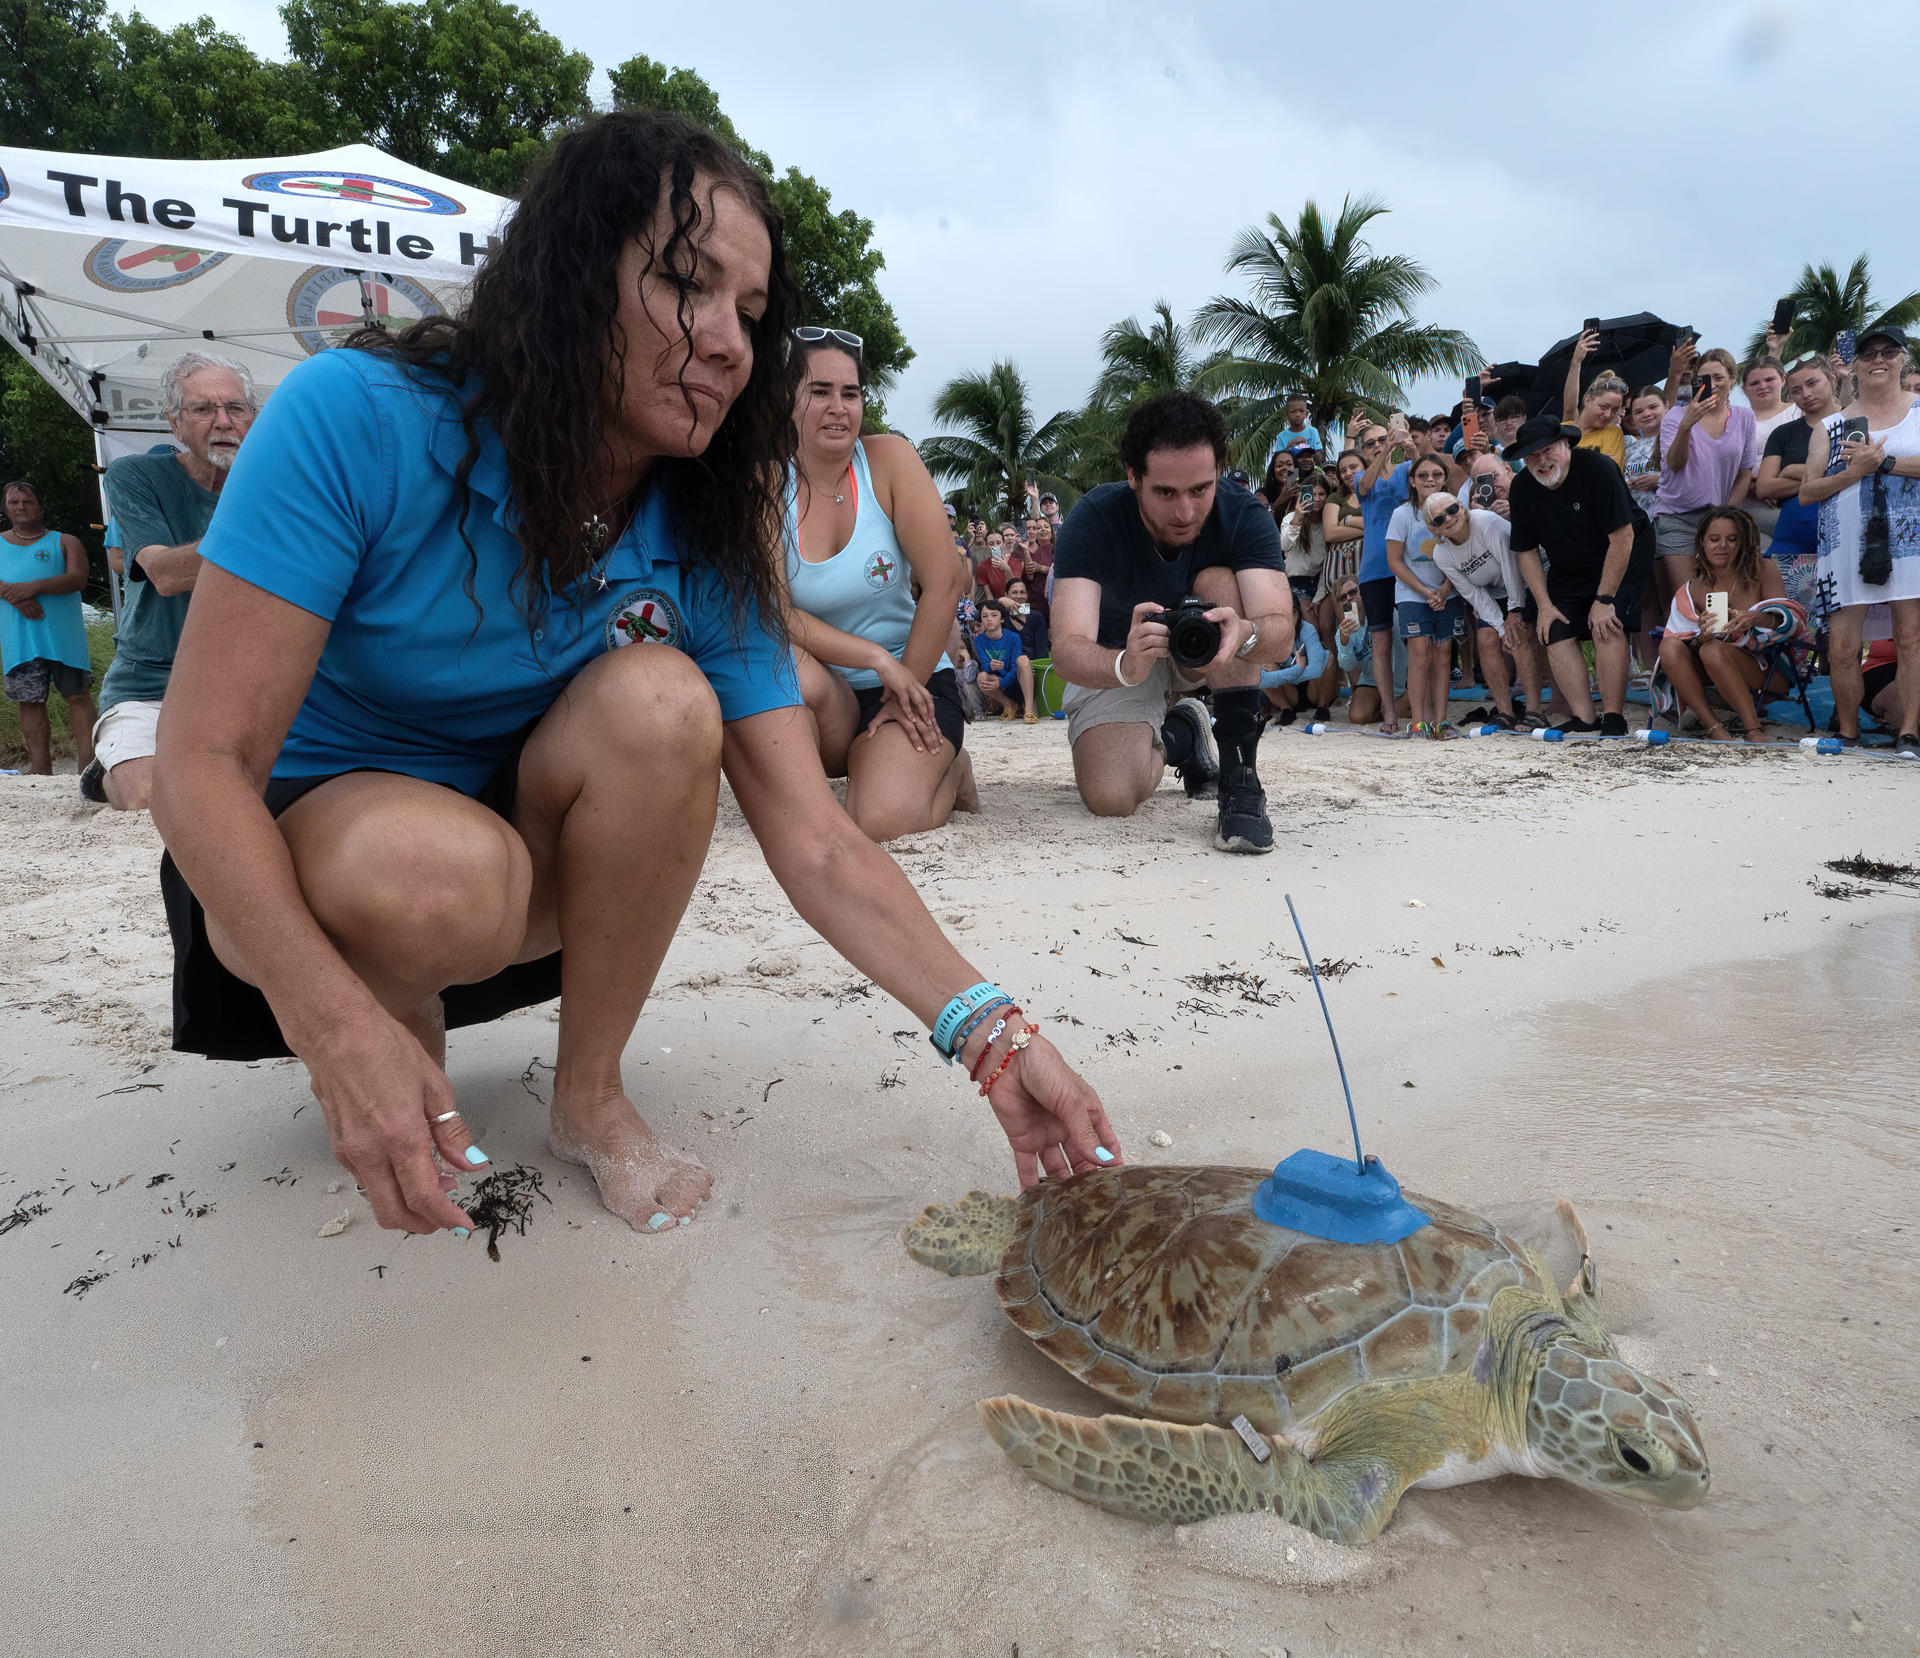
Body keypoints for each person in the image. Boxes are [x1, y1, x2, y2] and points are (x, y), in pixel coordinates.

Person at [149, 111, 1121, 1241]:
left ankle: (590, 1091)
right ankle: (387, 1016)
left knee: (664, 701)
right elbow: (196, 765)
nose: (728, 343)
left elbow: (816, 840)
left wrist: (995, 1032)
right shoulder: (356, 420)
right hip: (294, 872)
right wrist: (332, 1024)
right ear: (571, 273)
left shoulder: (699, 527)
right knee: (427, 874)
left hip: (521, 857)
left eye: (750, 315)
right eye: (685, 284)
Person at [1050, 390, 1292, 853]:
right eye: (1165, 492)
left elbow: (1279, 633)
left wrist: (1244, 633)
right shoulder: (1095, 518)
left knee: (1222, 583)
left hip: (1211, 649)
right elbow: (1066, 648)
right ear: (1132, 477)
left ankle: (1240, 775)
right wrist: (1125, 663)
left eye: (1201, 489)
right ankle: (1182, 733)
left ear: (1218, 472)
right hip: (1120, 654)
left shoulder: (1243, 513)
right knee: (1111, 797)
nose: (1185, 512)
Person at [783, 330, 975, 842]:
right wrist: (873, 658)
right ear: (787, 398)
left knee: (880, 821)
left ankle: (951, 771)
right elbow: (775, 610)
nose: (838, 408)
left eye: (851, 393)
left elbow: (943, 580)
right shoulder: (763, 486)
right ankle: (869, 763)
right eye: (819, 391)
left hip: (914, 674)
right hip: (830, 694)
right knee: (783, 668)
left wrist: (900, 680)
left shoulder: (888, 460)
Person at [80, 354, 258, 808]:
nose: (223, 422)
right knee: (147, 799)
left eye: (235, 408)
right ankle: (105, 775)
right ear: (175, 425)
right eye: (202, 409)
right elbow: (164, 573)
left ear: (253, 419)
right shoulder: (136, 474)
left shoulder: (277, 483)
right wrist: (275, 533)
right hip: (149, 683)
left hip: (247, 687)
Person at [1797, 324, 1920, 753]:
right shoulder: (1831, 426)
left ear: (1904, 358)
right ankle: (1847, 731)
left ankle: (1910, 732)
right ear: (1855, 364)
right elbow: (1806, 492)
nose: (1879, 360)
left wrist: (1882, 462)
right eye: (1869, 354)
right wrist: (1853, 472)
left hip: (1912, 543)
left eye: (1889, 351)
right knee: (1845, 645)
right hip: (1843, 544)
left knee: (1911, 638)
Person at [1507, 414, 1653, 735]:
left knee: (1607, 623)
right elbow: (1526, 550)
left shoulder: (1597, 469)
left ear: (1566, 446)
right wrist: (1544, 604)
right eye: (1532, 455)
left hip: (1622, 550)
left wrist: (1604, 598)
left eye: (1548, 450)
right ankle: (1585, 718)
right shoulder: (1520, 488)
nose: (1542, 460)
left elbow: (1623, 536)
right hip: (1568, 562)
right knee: (1554, 628)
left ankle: (1614, 716)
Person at [1655, 508, 1793, 742]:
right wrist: (1701, 636)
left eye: (1732, 539)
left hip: (1766, 668)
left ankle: (1753, 730)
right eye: (1714, 539)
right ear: (1702, 543)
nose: (1723, 546)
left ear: (1744, 542)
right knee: (1670, 647)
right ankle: (1715, 728)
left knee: (1712, 651)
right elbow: (1682, 638)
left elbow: (1787, 621)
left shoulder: (1763, 570)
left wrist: (1756, 618)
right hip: (1711, 666)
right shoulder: (1693, 588)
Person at [1423, 491, 1544, 729]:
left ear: (1461, 506)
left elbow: (1511, 568)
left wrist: (1514, 612)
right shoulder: (1441, 553)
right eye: (1438, 520)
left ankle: (1534, 711)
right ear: (1434, 529)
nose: (1448, 519)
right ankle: (1505, 712)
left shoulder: (1486, 523)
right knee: (1487, 639)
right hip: (1492, 593)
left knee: (1517, 635)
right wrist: (1501, 629)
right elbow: (1473, 594)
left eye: (1451, 510)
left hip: (1525, 580)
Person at [1, 480, 95, 775]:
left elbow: (77, 579)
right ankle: (41, 772)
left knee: (78, 697)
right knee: (29, 702)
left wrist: (33, 587)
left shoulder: (65, 542)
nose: (20, 507)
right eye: (13, 502)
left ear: (41, 506)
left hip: (64, 640)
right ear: (5, 508)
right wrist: (16, 599)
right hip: (20, 640)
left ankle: (88, 767)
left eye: (27, 502)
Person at [1652, 348, 1758, 594]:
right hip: (1677, 517)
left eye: (1719, 377)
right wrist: (1685, 426)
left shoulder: (1744, 417)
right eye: (1705, 378)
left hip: (1719, 516)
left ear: (1732, 379)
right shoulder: (1675, 417)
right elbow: (1675, 465)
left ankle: (1717, 634)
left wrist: (1726, 515)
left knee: (1720, 595)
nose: (1713, 384)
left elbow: (1744, 474)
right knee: (1690, 598)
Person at [1753, 353, 1843, 616]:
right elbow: (1765, 488)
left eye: (1812, 383)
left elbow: (1858, 472)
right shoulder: (1784, 433)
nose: (1805, 393)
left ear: (1832, 379)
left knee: (1841, 623)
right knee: (1788, 621)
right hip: (1792, 535)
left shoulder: (1854, 422)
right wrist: (1824, 476)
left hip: (1841, 532)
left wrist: (1793, 470)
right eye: (1796, 390)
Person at [1383, 455, 1462, 738]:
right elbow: (1395, 561)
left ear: (1445, 478)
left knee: (1443, 655)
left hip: (1447, 592)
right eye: (1424, 475)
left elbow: (1461, 554)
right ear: (1412, 482)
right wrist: (1426, 591)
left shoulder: (1454, 510)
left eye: (1437, 474)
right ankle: (1418, 722)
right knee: (1419, 653)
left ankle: (1440, 721)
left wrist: (1443, 590)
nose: (1430, 479)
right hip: (1412, 594)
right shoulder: (1403, 514)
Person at [1352, 419, 1412, 732]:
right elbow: (1365, 486)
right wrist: (1389, 445)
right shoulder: (1362, 476)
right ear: (1362, 450)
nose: (1378, 445)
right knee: (1381, 645)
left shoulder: (1405, 471)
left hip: (1409, 565)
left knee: (1417, 641)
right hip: (1375, 570)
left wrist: (1407, 442)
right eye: (1371, 443)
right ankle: (1389, 713)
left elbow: (1426, 470)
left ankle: (1421, 709)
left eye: (1381, 440)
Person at [1330, 574, 1408, 726]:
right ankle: (1394, 708)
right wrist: (1345, 642)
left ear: (1362, 591)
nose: (1349, 599)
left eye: (1353, 592)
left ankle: (1394, 706)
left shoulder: (1385, 613)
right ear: (1339, 604)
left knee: (1420, 696)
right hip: (1372, 681)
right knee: (1357, 716)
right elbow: (1348, 666)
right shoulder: (1343, 631)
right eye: (1343, 598)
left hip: (1402, 679)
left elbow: (1400, 649)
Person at [1257, 583, 1327, 721]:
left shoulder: (1307, 629)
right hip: (1288, 691)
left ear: (1299, 613)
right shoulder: (1269, 634)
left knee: (1328, 657)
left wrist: (1287, 674)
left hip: (1311, 688)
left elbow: (1317, 669)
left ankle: (1322, 707)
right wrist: (1297, 669)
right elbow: (1259, 680)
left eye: (1293, 612)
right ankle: (1286, 709)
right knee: (1264, 665)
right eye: (1284, 613)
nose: (1289, 618)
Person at [971, 599, 1037, 721]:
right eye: (985, 616)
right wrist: (990, 666)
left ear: (1002, 619)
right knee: (982, 677)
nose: (989, 619)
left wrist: (1001, 683)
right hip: (999, 684)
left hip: (1015, 681)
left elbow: (1015, 668)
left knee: (1023, 660)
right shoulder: (979, 640)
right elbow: (984, 665)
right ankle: (1008, 705)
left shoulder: (1013, 637)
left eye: (994, 615)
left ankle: (1029, 709)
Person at [1622, 386, 1667, 520]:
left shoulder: (1677, 441)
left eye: (1653, 407)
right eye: (1638, 411)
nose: (1646, 414)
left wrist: (1660, 481)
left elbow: (1695, 480)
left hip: (1668, 524)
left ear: (1666, 406)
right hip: (1635, 525)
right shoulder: (1627, 448)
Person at [1004, 576, 1049, 659]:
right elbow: (983, 608)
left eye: (1022, 592)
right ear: (1006, 595)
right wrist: (1001, 600)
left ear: (1027, 595)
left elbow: (1041, 650)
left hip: (1031, 665)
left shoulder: (1037, 617)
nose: (1019, 596)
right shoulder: (1000, 616)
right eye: (1014, 592)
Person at [1266, 393, 1322, 461]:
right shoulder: (1281, 437)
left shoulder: (1312, 431)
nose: (1298, 414)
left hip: (1310, 469)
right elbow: (1279, 459)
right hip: (1293, 470)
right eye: (1293, 411)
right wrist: (1290, 446)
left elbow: (1319, 457)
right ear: (1286, 415)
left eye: (1302, 411)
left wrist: (1305, 447)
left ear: (1306, 414)